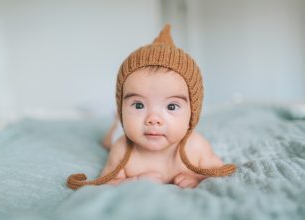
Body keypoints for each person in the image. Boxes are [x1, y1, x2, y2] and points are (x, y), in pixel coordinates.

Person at [67, 24, 236, 189]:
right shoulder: (122, 148)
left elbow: (219, 172)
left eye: (171, 107)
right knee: (108, 141)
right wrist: (134, 180)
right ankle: (116, 122)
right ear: (121, 106)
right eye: (139, 105)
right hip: (121, 132)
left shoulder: (196, 147)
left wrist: (195, 177)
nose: (153, 119)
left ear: (193, 113)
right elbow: (108, 182)